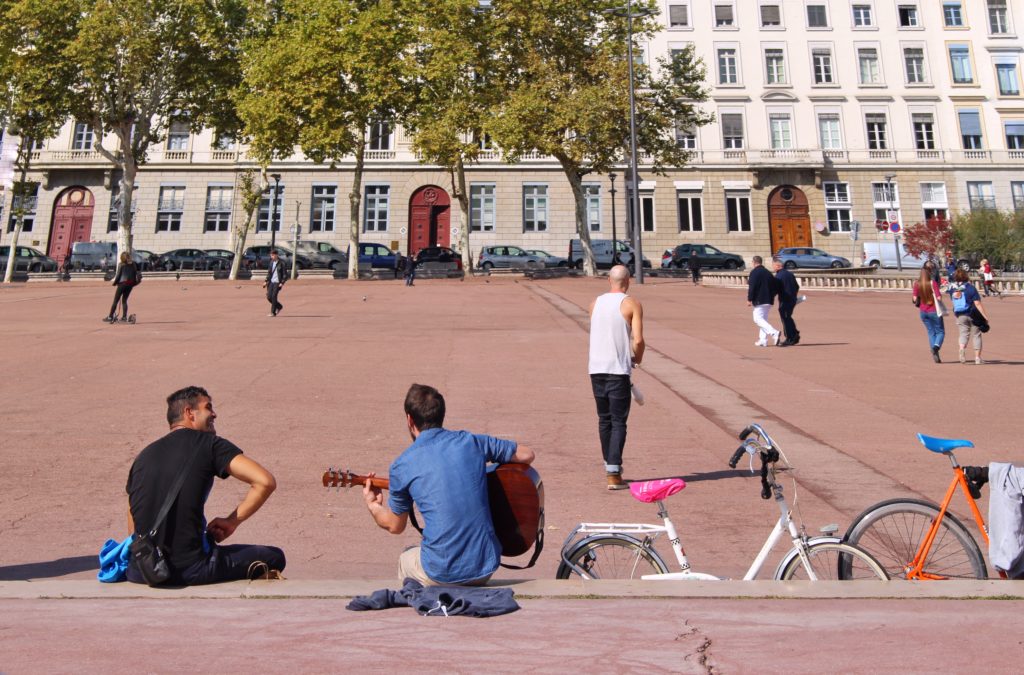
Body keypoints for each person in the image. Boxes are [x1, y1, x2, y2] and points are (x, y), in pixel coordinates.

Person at [362, 384, 535, 586]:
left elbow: (394, 526)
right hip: (485, 567)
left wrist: (373, 505)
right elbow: (527, 455)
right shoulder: (471, 441)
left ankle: (423, 607)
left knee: (406, 558)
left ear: (410, 419)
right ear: (441, 415)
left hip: (440, 572)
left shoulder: (403, 465)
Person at [125, 386, 285, 585]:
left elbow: (133, 512)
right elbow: (265, 481)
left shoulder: (144, 456)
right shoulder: (210, 444)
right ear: (189, 413)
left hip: (141, 571)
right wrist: (232, 521)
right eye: (208, 407)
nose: (214, 414)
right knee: (274, 557)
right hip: (192, 569)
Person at [588, 265, 645, 489]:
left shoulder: (595, 303)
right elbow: (638, 339)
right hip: (617, 369)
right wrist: (637, 358)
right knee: (619, 421)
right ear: (628, 281)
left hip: (596, 367)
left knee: (604, 419)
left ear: (608, 280)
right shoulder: (631, 303)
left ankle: (610, 466)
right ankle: (613, 472)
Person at [948, 268, 990, 365]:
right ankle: (977, 358)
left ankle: (962, 348)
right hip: (973, 314)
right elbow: (977, 303)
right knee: (976, 335)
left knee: (963, 334)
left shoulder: (952, 289)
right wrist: (985, 316)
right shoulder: (970, 288)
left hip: (960, 314)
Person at [912, 267, 945, 363]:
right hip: (933, 310)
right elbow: (939, 297)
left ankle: (935, 353)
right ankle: (936, 347)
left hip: (923, 311)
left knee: (931, 332)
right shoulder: (932, 283)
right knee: (940, 332)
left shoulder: (917, 284)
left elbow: (914, 299)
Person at [747, 256, 781, 347]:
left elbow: (752, 287)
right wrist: (772, 296)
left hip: (759, 299)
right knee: (763, 319)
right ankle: (763, 340)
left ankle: (774, 333)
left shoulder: (754, 272)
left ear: (754, 262)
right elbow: (775, 286)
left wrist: (749, 299)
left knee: (757, 319)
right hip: (768, 299)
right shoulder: (768, 273)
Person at [105, 251, 140, 322]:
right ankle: (124, 317)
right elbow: (135, 274)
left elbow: (118, 276)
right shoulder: (133, 264)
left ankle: (110, 317)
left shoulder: (121, 264)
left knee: (116, 301)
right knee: (124, 301)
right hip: (130, 284)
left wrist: (114, 283)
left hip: (122, 284)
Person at [772, 259, 800, 346]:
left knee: (785, 318)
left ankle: (790, 337)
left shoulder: (779, 276)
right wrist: (794, 295)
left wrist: (770, 297)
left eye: (773, 265)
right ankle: (794, 334)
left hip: (785, 299)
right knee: (788, 317)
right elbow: (797, 286)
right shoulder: (789, 274)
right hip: (792, 299)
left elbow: (776, 289)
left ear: (778, 266)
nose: (772, 267)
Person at [263, 249, 286, 316]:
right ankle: (279, 306)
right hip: (271, 282)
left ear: (276, 255)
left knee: (274, 296)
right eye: (271, 255)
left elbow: (285, 274)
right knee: (269, 297)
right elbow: (269, 273)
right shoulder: (271, 262)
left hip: (277, 282)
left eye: (273, 255)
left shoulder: (282, 263)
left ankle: (272, 312)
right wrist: (266, 281)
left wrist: (282, 282)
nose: (271, 257)